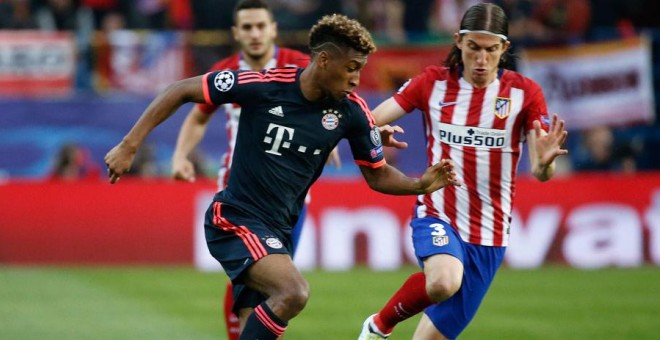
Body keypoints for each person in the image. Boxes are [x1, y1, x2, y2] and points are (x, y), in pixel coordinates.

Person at [105, 14, 460, 339]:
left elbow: (378, 175)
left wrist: (419, 184)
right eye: (351, 67)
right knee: (293, 292)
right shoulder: (264, 85)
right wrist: (129, 145)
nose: (356, 78)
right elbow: (180, 89)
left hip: (278, 230)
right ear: (324, 61)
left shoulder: (352, 112)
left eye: (360, 68)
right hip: (234, 219)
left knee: (255, 325)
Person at [358, 3, 568, 339]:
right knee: (443, 281)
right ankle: (379, 325)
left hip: (490, 233)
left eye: (490, 50)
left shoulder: (525, 93)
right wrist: (367, 133)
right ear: (458, 41)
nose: (481, 60)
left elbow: (544, 172)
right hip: (438, 213)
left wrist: (545, 163)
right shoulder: (432, 83)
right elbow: (370, 118)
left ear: (505, 48)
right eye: (473, 48)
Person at [169, 1, 314, 338]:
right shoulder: (227, 70)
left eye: (261, 26)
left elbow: (330, 107)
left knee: (274, 283)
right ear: (236, 33)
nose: (255, 34)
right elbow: (198, 115)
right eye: (247, 27)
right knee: (254, 280)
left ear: (274, 29)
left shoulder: (300, 66)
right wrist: (180, 155)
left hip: (291, 196)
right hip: (242, 194)